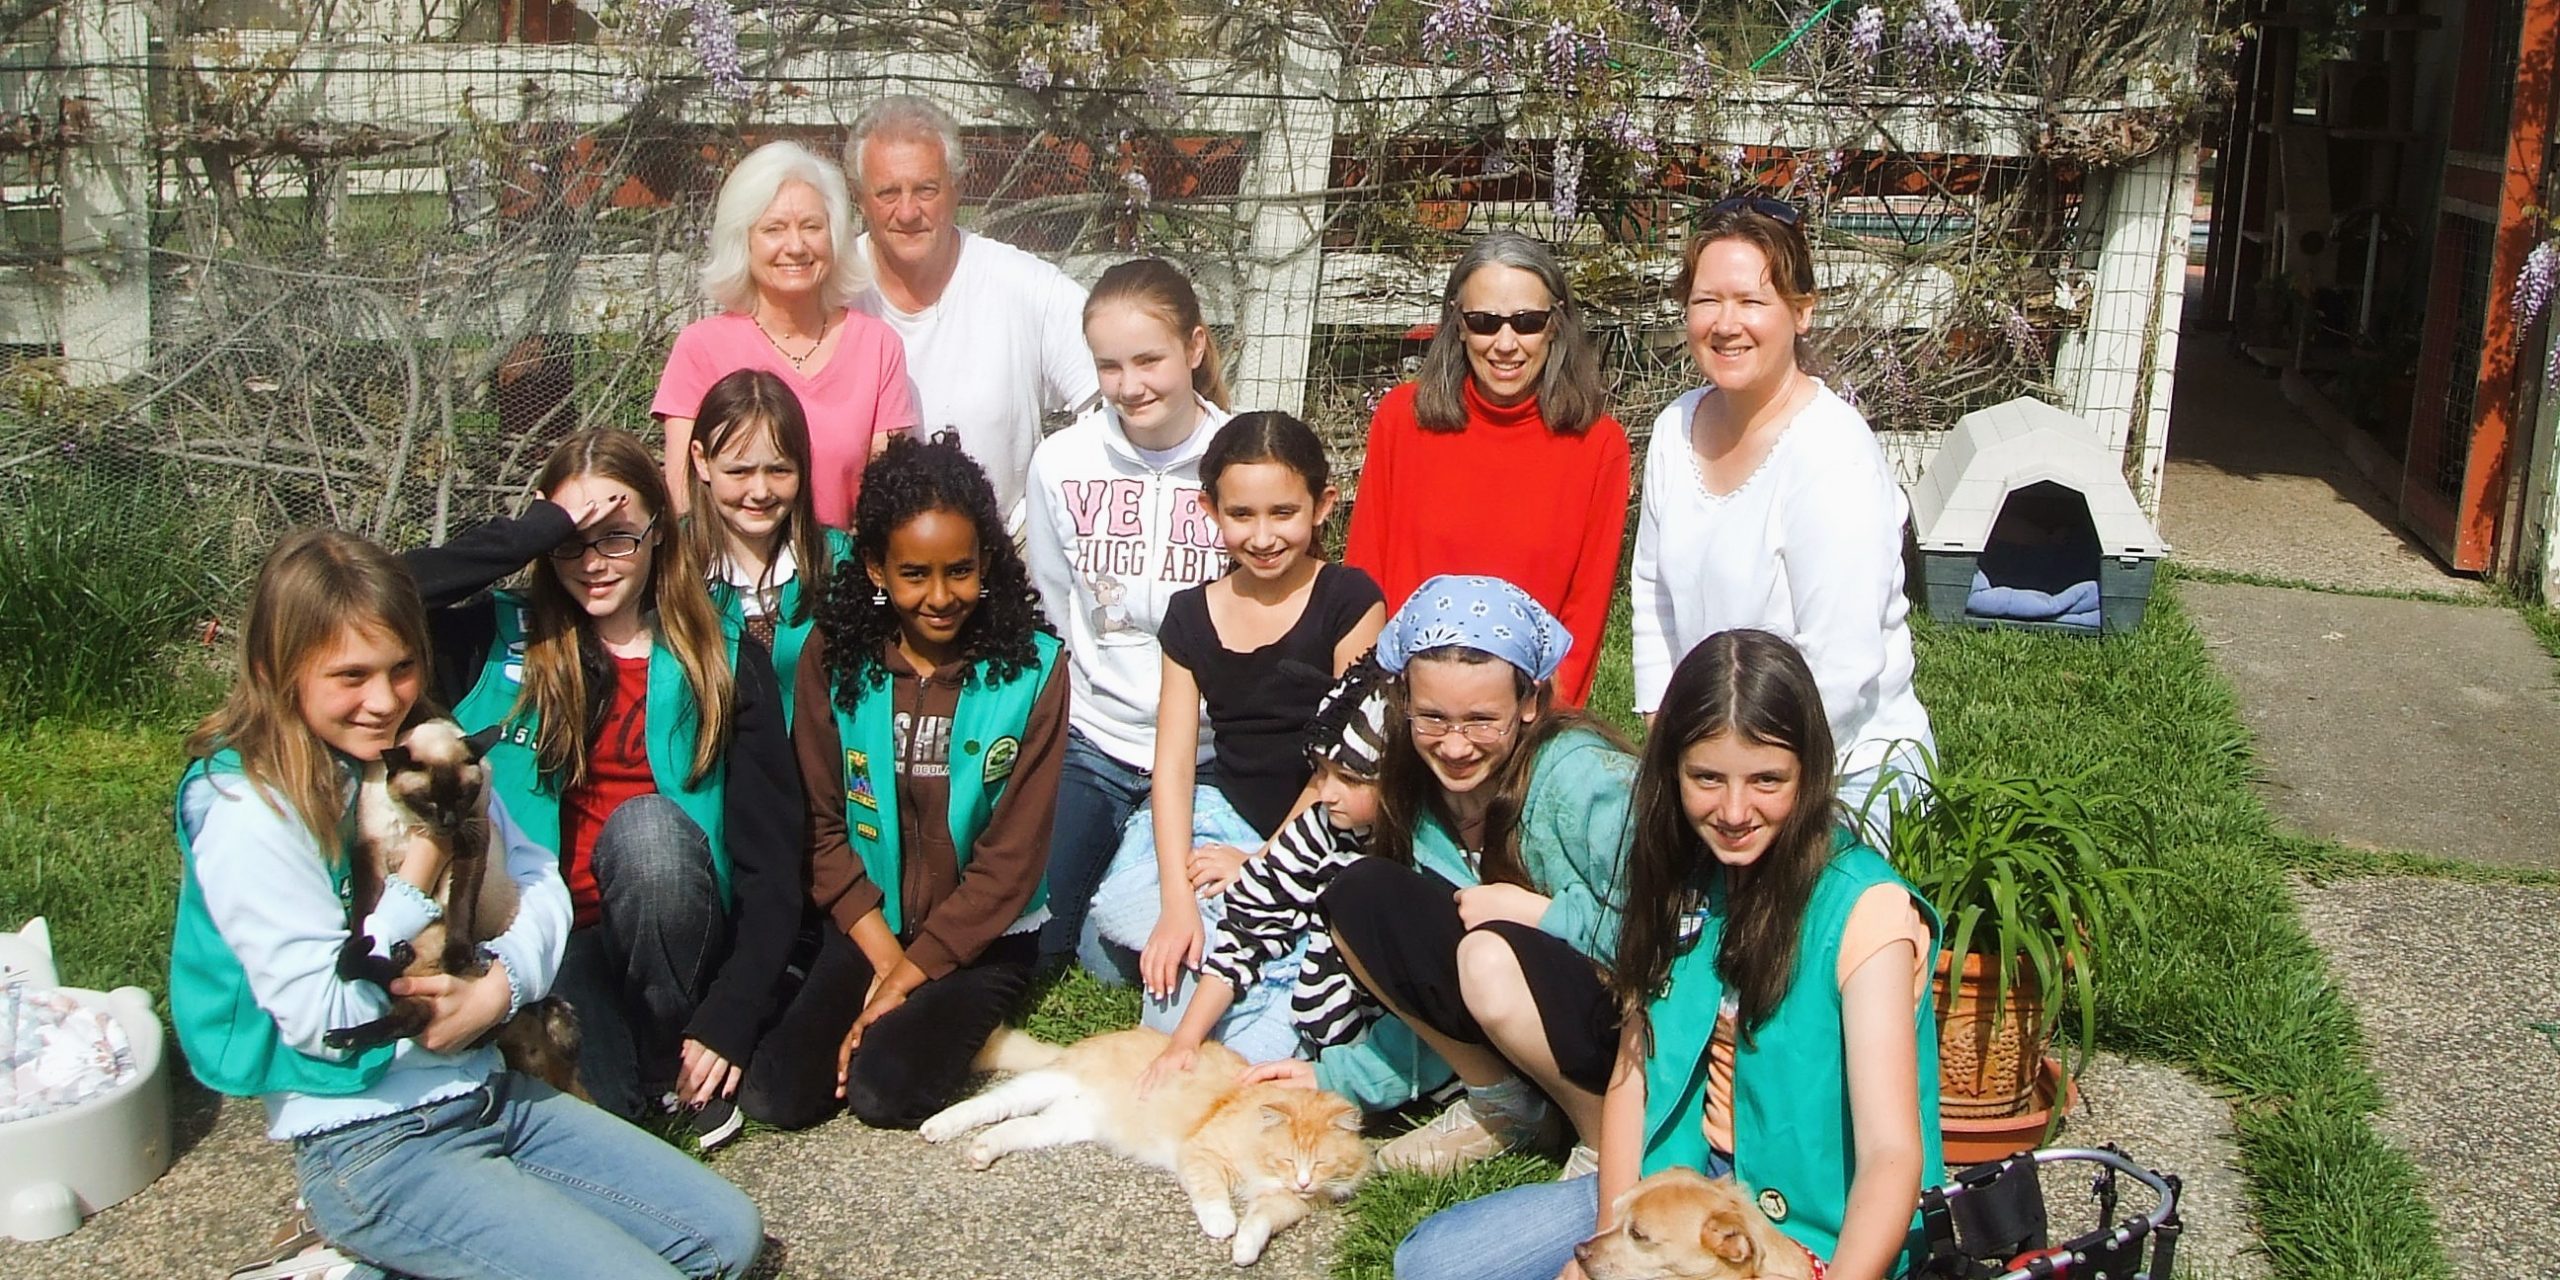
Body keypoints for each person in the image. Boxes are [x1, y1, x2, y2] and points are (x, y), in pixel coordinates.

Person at [171, 529, 763, 1280]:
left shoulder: (423, 747)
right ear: (274, 671)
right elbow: (323, 1022)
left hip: (487, 1090)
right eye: (350, 677)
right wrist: (423, 868)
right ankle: (357, 1245)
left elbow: (538, 882)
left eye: (402, 668)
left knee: (725, 1238)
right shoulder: (248, 805)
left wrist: (500, 990)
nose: (383, 701)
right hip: (370, 1139)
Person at [1392, 629, 1943, 1280]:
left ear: (1809, 772)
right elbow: (1634, 1070)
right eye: (1706, 778)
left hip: (1813, 1225)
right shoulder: (1681, 876)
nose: (1734, 811)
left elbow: (1889, 1154)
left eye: (1767, 779)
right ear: (1672, 771)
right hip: (1680, 1186)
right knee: (1431, 1263)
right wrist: (1609, 1245)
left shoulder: (1862, 908)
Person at [406, 428, 803, 1150]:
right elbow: (374, 595)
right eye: (571, 542)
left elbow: (774, 860)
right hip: (546, 939)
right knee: (603, 1117)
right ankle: (640, 1077)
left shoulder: (717, 648)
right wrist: (536, 530)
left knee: (646, 832)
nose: (592, 564)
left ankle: (671, 1048)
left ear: (659, 531)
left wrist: (731, 1014)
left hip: (678, 928)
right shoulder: (497, 640)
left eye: (616, 537)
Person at [736, 434, 1066, 1130]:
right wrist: (887, 969)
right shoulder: (833, 657)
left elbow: (1010, 864)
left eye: (962, 571)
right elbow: (822, 828)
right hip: (868, 926)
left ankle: (951, 1024)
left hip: (978, 939)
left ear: (989, 564)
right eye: (915, 574)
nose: (942, 597)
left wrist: (912, 978)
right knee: (776, 1097)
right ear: (878, 570)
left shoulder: (1034, 671)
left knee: (882, 1093)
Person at [1305, 575, 1637, 1175]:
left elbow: (1668, 940)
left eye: (1482, 720)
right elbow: (1428, 982)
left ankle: (1604, 1136)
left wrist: (1537, 914)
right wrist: (1328, 1080)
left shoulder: (1588, 783)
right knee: (1360, 894)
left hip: (1621, 1023)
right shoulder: (1416, 790)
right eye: (1432, 718)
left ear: (1530, 703)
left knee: (1487, 955)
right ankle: (1505, 1102)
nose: (1455, 746)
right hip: (1508, 995)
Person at [1628, 197, 1933, 836]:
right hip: (1710, 765)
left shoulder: (1831, 454)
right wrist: (1676, 755)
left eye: (1751, 301)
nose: (1725, 323)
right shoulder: (1673, 429)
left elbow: (1840, 672)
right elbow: (1654, 600)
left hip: (1833, 769)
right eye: (1707, 300)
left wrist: (1743, 787)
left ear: (1801, 312)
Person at [1104, 410, 1384, 1030]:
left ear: (1322, 506)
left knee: (1232, 988)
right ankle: (1223, 951)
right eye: (1241, 515)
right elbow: (1174, 762)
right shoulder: (1190, 615)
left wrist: (1261, 864)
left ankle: (1269, 973)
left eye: (1282, 513)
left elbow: (1347, 757)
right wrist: (1178, 902)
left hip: (1318, 825)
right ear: (1210, 511)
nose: (1262, 537)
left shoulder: (1350, 599)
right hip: (1224, 811)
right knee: (1124, 918)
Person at [1022, 257, 1235, 968]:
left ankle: (1138, 864)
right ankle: (1116, 853)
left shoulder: (1240, 458)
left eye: (1149, 359)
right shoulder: (1062, 462)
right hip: (1097, 739)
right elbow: (1053, 598)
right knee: (1039, 943)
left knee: (1116, 956)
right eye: (1109, 366)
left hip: (1210, 750)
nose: (1130, 385)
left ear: (1195, 348)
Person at [1141, 664, 1454, 1112]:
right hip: (1323, 1031)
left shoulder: (1428, 854)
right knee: (1179, 1031)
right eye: (1322, 772)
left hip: (1397, 1052)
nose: (1326, 793)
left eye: (1350, 778)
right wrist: (1186, 1040)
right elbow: (1249, 925)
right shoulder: (1323, 827)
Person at [1344, 231, 1629, 707]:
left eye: (1527, 322)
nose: (1505, 343)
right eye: (1483, 322)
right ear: (1457, 324)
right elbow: (1364, 580)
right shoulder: (1401, 420)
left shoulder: (1598, 445)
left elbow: (1585, 613)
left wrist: (1540, 728)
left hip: (1524, 714)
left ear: (1556, 324)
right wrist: (1367, 708)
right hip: (1406, 704)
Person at [846, 95, 1101, 531]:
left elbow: (1118, 387)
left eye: (926, 189)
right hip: (864, 555)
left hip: (1002, 555)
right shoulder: (833, 290)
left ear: (957, 188)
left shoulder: (1020, 284)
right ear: (859, 198)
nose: (907, 212)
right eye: (888, 192)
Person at [655, 139, 919, 529]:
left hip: (841, 573)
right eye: (774, 229)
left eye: (812, 227)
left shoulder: (877, 347)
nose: (795, 246)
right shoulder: (700, 348)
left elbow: (888, 497)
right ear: (743, 240)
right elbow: (684, 497)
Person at [679, 367, 849, 727]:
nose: (759, 492)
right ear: (701, 459)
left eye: (779, 471)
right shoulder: (672, 561)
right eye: (739, 472)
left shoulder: (837, 560)